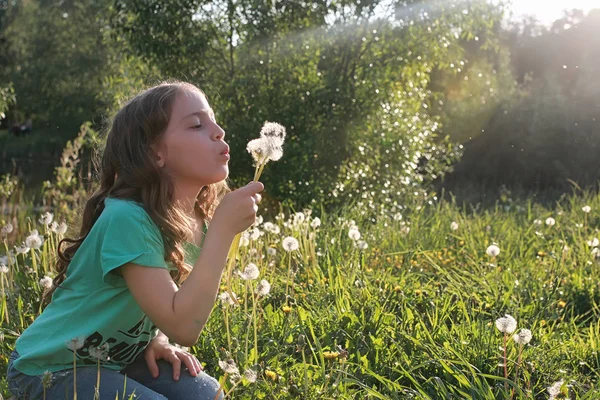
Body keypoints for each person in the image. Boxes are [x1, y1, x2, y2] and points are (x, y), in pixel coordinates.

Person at [6, 80, 264, 399]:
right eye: (197, 124)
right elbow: (184, 326)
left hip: (114, 358)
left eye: (213, 119)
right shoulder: (127, 218)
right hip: (50, 367)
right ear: (155, 152)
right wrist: (224, 233)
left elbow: (157, 297)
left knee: (206, 394)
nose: (219, 131)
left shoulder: (196, 220)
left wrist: (153, 338)